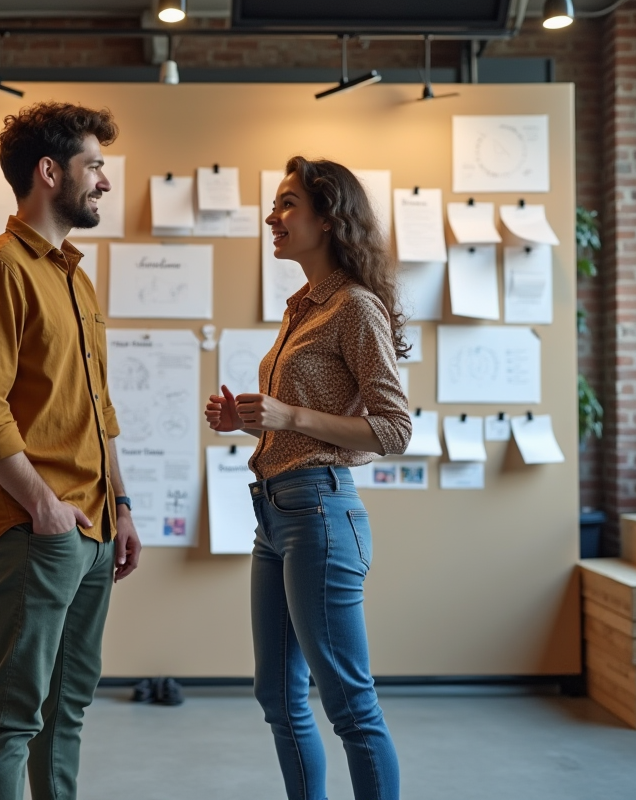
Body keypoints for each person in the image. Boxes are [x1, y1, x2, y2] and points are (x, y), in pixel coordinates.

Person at [0, 102, 142, 800]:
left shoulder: (73, 277)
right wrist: (45, 508)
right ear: (49, 171)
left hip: (90, 528)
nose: (105, 184)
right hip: (37, 529)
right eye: (95, 167)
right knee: (12, 716)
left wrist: (119, 505)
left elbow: (99, 410)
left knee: (67, 711)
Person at [205, 156, 412, 800]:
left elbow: (393, 430)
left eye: (288, 203)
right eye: (276, 204)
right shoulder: (302, 308)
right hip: (276, 515)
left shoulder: (354, 307)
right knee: (279, 697)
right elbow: (304, 427)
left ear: (329, 218)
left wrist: (287, 413)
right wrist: (250, 424)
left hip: (321, 515)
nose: (273, 216)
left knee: (349, 705)